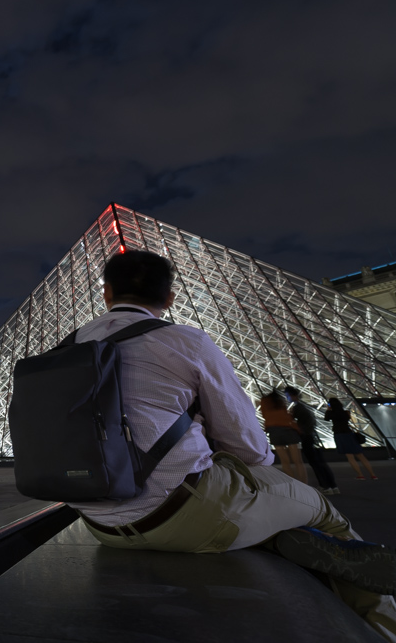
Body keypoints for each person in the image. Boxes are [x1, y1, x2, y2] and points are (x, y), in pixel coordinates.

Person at [68, 251, 396, 640]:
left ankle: (275, 535)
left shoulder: (67, 347)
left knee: (247, 504)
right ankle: (383, 627)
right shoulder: (184, 340)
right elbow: (249, 448)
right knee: (319, 509)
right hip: (185, 514)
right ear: (170, 298)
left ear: (105, 294)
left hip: (100, 524)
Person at [285, 386, 338, 495]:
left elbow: (290, 421)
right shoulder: (304, 407)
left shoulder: (297, 408)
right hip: (312, 437)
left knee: (315, 463)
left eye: (287, 396)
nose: (287, 398)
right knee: (321, 463)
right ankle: (333, 486)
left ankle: (325, 486)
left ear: (292, 395)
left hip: (307, 438)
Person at [259, 388, 306, 483]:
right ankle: (304, 484)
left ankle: (294, 485)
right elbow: (287, 417)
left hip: (274, 432)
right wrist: (298, 429)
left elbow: (264, 416)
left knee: (285, 462)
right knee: (298, 462)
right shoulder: (280, 401)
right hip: (288, 430)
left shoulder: (264, 401)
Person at [327, 398, 379, 480]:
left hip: (340, 435)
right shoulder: (346, 413)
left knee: (350, 457)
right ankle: (373, 474)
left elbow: (326, 418)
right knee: (361, 456)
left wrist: (328, 409)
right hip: (349, 434)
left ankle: (360, 475)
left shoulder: (331, 413)